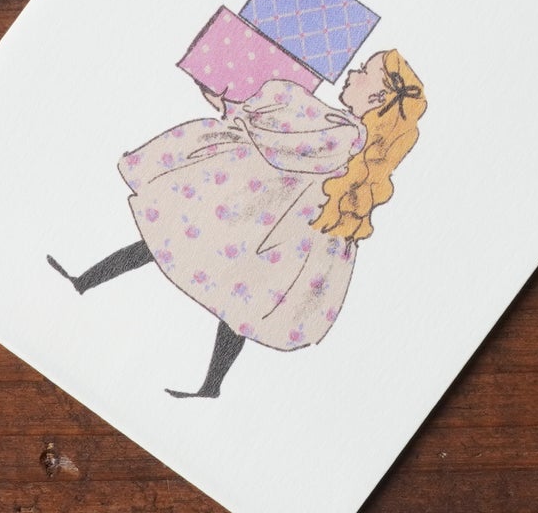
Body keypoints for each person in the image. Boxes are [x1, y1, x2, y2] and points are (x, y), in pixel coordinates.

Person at [46, 49, 426, 398]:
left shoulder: (345, 131)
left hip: (271, 219)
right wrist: (234, 107)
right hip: (276, 221)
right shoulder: (353, 137)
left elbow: (283, 135)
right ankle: (206, 382)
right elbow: (288, 127)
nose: (352, 74)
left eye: (362, 72)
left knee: (178, 248)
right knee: (238, 297)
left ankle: (87, 285)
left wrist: (232, 108)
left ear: (377, 97)